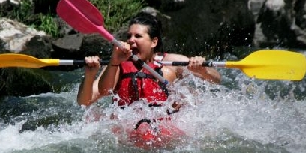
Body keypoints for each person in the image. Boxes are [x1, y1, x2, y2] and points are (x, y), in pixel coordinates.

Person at [76, 12, 220, 107]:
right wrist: (89, 75)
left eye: (138, 36)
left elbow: (216, 79)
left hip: (166, 139)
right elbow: (84, 102)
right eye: (129, 36)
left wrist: (203, 69)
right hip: (129, 138)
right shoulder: (117, 65)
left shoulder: (172, 63)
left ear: (154, 42)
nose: (131, 40)